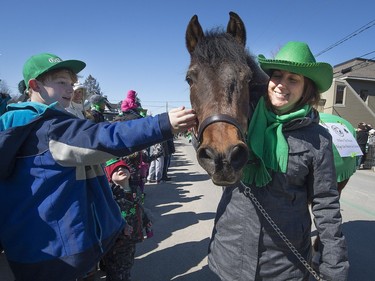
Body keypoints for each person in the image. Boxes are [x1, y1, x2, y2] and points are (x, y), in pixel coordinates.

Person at [0, 52, 196, 281]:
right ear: (35, 85)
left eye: (71, 83)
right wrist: (162, 124)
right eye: (61, 82)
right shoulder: (48, 128)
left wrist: (114, 223)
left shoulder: (22, 124)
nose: (70, 89)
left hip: (37, 249)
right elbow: (104, 138)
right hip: (59, 257)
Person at [208, 41, 349, 281]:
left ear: (307, 89)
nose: (281, 85)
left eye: (293, 79)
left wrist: (334, 268)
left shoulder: (318, 139)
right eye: (277, 76)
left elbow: (326, 206)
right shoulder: (241, 122)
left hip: (284, 265)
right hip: (229, 256)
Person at [102, 158, 152, 281]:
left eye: (123, 167)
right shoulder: (110, 196)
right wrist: (121, 226)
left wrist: (146, 222)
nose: (120, 169)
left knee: (128, 262)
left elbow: (140, 208)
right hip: (117, 240)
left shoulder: (136, 190)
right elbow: (107, 217)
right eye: (115, 169)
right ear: (109, 176)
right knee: (116, 268)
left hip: (133, 236)